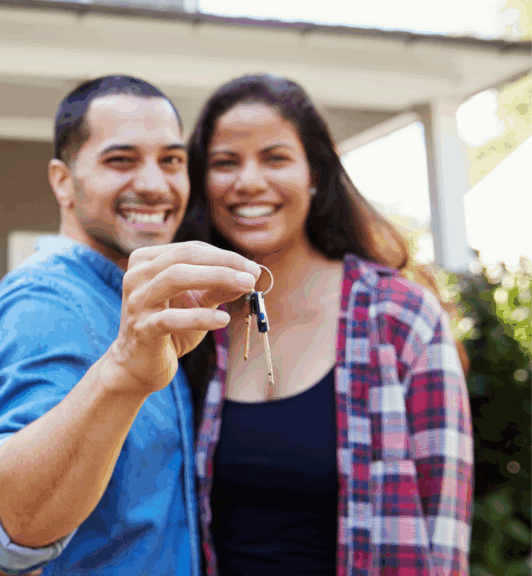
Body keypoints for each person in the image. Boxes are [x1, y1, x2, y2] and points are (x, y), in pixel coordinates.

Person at [0, 75, 262, 575]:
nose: (153, 184)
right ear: (62, 180)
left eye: (171, 160)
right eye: (121, 160)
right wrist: (122, 370)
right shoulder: (46, 304)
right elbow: (10, 531)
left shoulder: (133, 299)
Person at [177, 73, 474, 575]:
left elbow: (443, 530)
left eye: (275, 158)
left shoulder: (402, 319)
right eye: (226, 162)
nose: (248, 181)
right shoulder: (191, 323)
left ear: (314, 172)